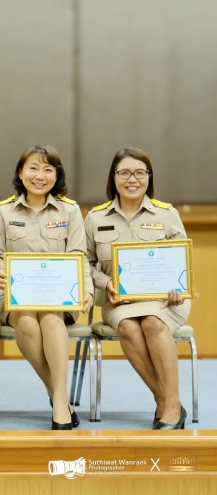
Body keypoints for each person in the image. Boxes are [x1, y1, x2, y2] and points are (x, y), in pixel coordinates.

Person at [84, 147, 189, 430]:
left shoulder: (166, 214)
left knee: (153, 323)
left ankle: (172, 402)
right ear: (114, 177)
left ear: (148, 177)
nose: (133, 179)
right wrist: (106, 283)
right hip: (120, 303)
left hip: (166, 300)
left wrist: (178, 287)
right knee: (130, 327)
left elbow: (182, 261)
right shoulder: (96, 217)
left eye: (140, 172)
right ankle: (165, 399)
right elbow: (85, 262)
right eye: (125, 173)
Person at [0, 144, 93, 430]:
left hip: (58, 298)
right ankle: (58, 393)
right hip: (15, 299)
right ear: (20, 173)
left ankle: (58, 400)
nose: (40, 175)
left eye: (48, 169)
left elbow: (78, 256)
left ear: (56, 175)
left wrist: (86, 290)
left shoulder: (70, 211)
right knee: (26, 320)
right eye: (33, 168)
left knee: (49, 318)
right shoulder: (1, 211)